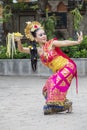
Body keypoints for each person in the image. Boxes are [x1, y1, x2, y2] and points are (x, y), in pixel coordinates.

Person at [15, 21, 83, 115]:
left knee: (54, 83)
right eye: (40, 35)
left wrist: (77, 42)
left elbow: (64, 43)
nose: (44, 36)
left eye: (44, 34)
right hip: (60, 70)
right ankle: (66, 103)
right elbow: (21, 49)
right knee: (47, 88)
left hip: (68, 67)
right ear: (35, 38)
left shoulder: (52, 44)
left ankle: (58, 105)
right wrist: (18, 41)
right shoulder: (37, 51)